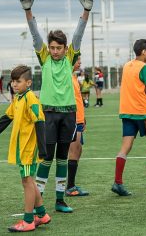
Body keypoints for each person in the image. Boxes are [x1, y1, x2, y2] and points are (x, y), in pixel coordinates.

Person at [20, 0, 91, 213]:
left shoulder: (70, 58)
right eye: (52, 48)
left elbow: (78, 35)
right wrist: (28, 12)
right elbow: (34, 35)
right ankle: (38, 200)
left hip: (68, 114)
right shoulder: (45, 58)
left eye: (59, 48)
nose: (55, 51)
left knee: (62, 158)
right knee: (46, 158)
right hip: (48, 114)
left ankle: (60, 200)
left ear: (65, 48)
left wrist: (86, 12)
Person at [0, 65, 51, 232]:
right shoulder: (18, 99)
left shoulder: (30, 99)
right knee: (29, 181)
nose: (14, 84)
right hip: (21, 149)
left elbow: (40, 122)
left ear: (28, 83)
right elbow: (6, 118)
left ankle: (28, 221)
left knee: (27, 182)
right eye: (12, 81)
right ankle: (42, 215)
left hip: (28, 149)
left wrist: (42, 149)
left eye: (18, 81)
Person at [111, 39, 146, 196]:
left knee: (125, 146)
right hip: (142, 112)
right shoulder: (144, 67)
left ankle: (118, 182)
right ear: (143, 52)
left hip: (126, 111)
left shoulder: (127, 65)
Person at [65, 58, 89, 197]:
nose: (80, 62)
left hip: (78, 119)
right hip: (72, 120)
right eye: (77, 60)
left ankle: (71, 184)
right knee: (73, 151)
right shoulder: (66, 76)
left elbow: (78, 98)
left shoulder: (73, 76)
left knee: (78, 150)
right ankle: (69, 187)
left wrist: (82, 117)